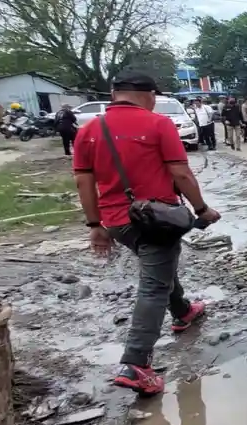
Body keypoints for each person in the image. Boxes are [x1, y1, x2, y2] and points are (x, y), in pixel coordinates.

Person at [72, 68, 220, 395]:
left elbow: (83, 180)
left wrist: (95, 225)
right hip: (156, 219)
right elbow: (180, 173)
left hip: (116, 223)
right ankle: (136, 363)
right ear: (149, 95)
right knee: (153, 285)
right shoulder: (159, 124)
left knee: (160, 267)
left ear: (114, 95)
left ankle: (183, 311)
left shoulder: (89, 130)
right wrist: (201, 209)